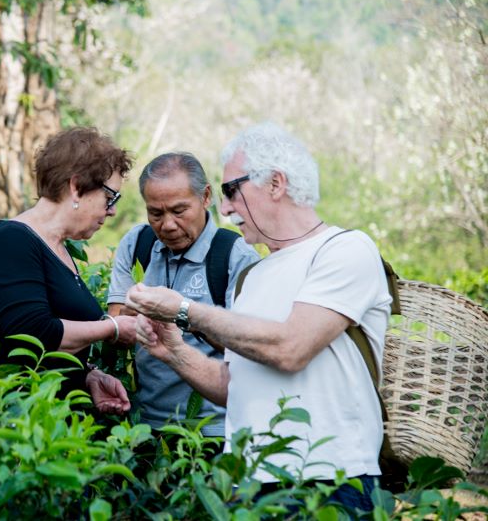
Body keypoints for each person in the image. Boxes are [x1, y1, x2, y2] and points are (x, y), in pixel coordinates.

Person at [126, 122, 392, 511]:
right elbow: (234, 385)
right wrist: (172, 350)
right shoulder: (252, 276)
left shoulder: (345, 249)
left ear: (275, 183)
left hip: (330, 479)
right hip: (250, 484)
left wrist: (185, 310)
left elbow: (290, 348)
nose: (226, 206)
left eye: (232, 190)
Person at [0, 127, 138, 415]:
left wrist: (88, 375)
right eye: (110, 197)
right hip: (19, 421)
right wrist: (113, 327)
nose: (112, 211)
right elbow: (35, 333)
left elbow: (53, 349)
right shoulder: (11, 240)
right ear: (76, 186)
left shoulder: (58, 248)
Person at [106, 152, 259, 436]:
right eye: (156, 213)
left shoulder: (234, 256)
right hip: (144, 425)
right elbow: (115, 323)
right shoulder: (137, 245)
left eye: (179, 211)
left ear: (205, 197)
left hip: (211, 430)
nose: (168, 225)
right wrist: (133, 315)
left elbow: (249, 348)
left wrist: (181, 314)